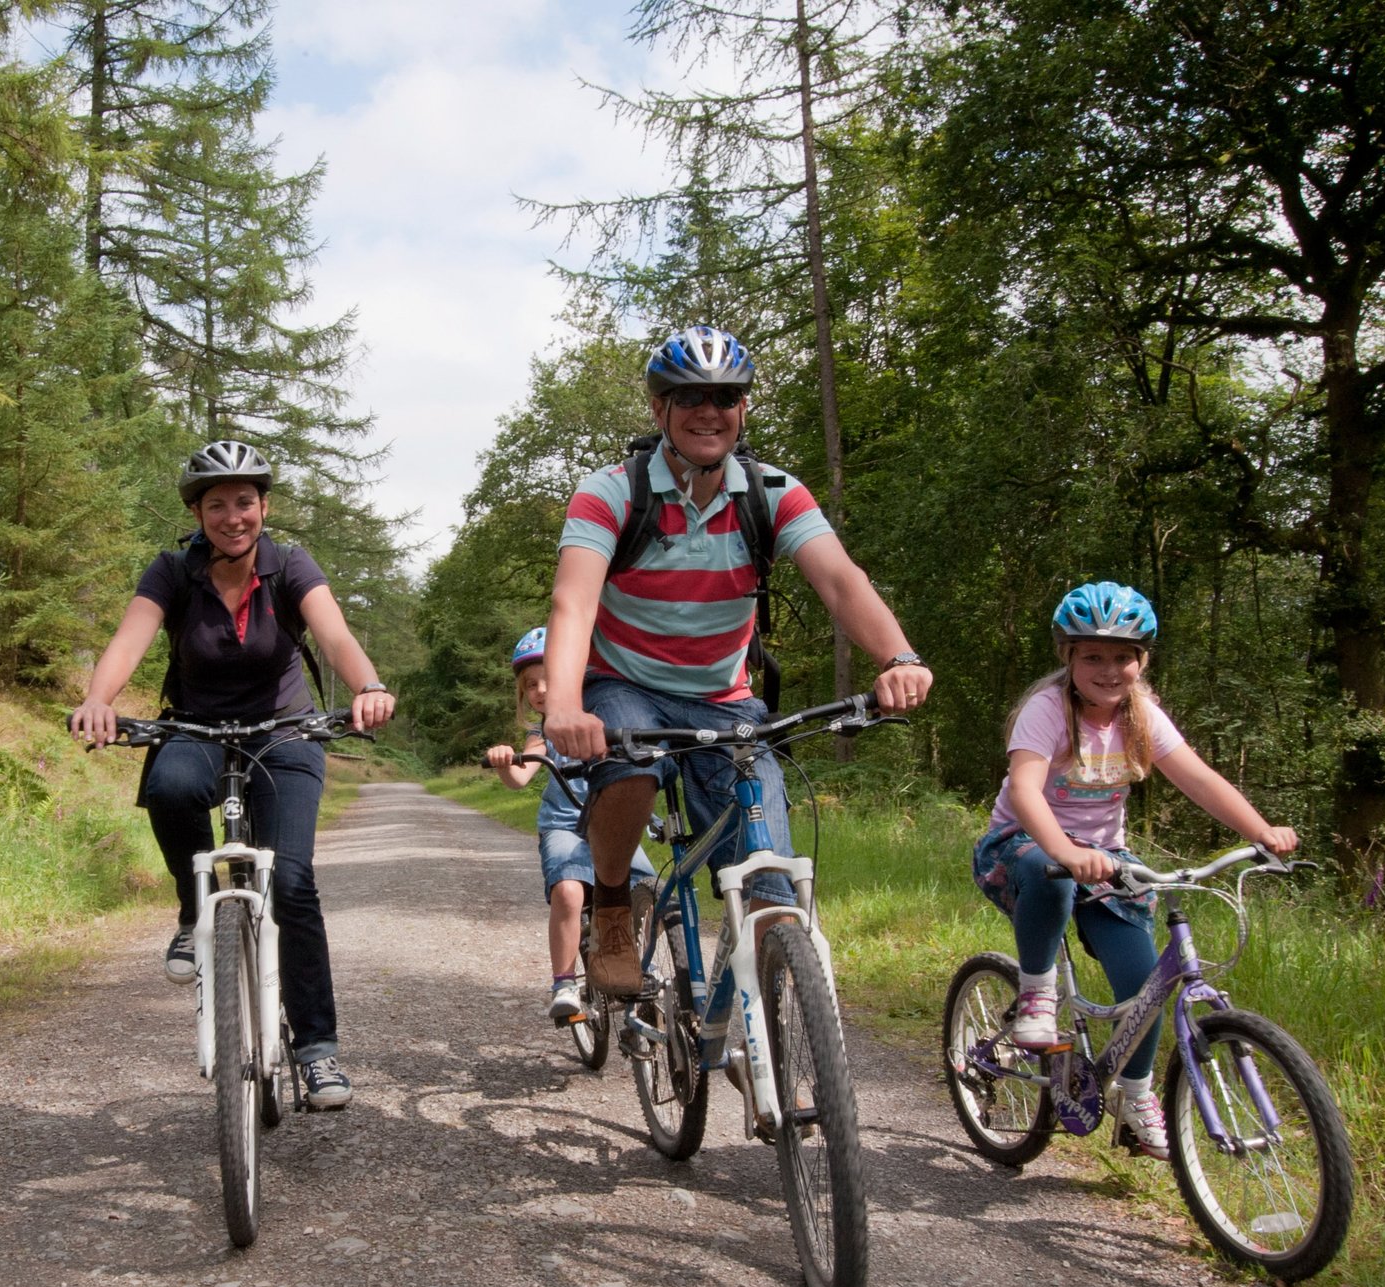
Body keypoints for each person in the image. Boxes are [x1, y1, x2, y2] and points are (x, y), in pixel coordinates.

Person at [541, 325, 933, 1000]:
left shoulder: (773, 492)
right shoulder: (610, 493)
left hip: (724, 699)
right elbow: (573, 605)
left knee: (769, 885)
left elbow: (841, 580)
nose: (708, 410)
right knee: (630, 771)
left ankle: (765, 1036)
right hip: (626, 683)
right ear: (659, 406)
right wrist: (565, 706)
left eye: (725, 396)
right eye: (688, 395)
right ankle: (611, 901)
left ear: (744, 408)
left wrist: (898, 656)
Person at [69, 440, 396, 1110]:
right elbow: (130, 639)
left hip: (284, 733)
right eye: (216, 504)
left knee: (294, 884)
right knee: (169, 787)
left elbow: (332, 633)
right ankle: (194, 914)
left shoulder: (291, 566)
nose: (232, 516)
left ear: (263, 506)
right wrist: (99, 700)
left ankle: (316, 1052)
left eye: (244, 501)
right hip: (194, 727)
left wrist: (367, 684)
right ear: (197, 513)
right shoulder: (171, 571)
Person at [972, 581, 1299, 1159]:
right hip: (1022, 846)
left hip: (1105, 863)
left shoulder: (1142, 715)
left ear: (1141, 661)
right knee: (1049, 866)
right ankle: (1035, 997)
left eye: (1123, 656)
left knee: (1145, 983)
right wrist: (1066, 851)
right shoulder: (1047, 709)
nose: (1108, 668)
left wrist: (1259, 831)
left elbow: (1197, 778)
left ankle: (1137, 1098)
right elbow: (1025, 790)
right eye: (1092, 655)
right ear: (1068, 657)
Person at [483, 626, 656, 1027]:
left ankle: (637, 963)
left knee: (648, 893)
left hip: (611, 827)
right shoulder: (541, 734)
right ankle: (564, 984)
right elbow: (520, 779)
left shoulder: (608, 718)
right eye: (531, 685)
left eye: (549, 678)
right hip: (564, 826)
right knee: (568, 890)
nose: (541, 690)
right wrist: (506, 763)